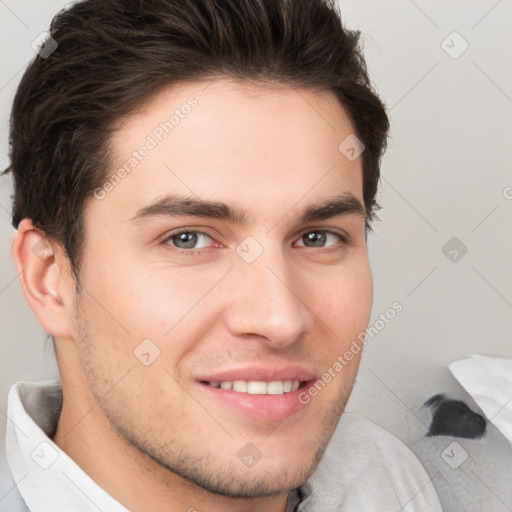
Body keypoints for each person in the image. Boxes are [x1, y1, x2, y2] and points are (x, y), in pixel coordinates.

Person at [1, 0, 443, 510]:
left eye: (317, 237)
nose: (280, 319)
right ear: (49, 278)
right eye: (188, 239)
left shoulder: (389, 479)